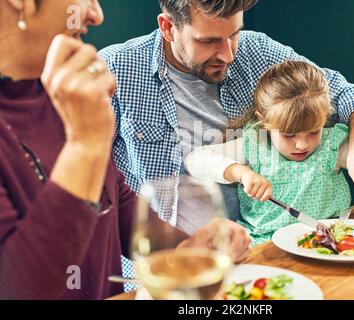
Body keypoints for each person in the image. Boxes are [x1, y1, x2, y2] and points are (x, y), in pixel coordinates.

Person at [0, 0, 250, 300]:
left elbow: (115, 201)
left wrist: (184, 247)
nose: (95, 14)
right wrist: (86, 143)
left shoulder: (54, 91)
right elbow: (17, 289)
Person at [99, 0, 354, 226]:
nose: (227, 54)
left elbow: (341, 90)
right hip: (155, 266)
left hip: (243, 257)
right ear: (167, 27)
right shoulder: (115, 69)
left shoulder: (257, 51)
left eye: (234, 34)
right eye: (208, 40)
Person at [185, 61, 354, 244]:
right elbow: (195, 160)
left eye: (312, 131)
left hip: (328, 241)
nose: (302, 145)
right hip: (264, 246)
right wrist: (240, 173)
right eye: (289, 134)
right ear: (264, 121)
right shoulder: (254, 145)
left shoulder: (331, 147)